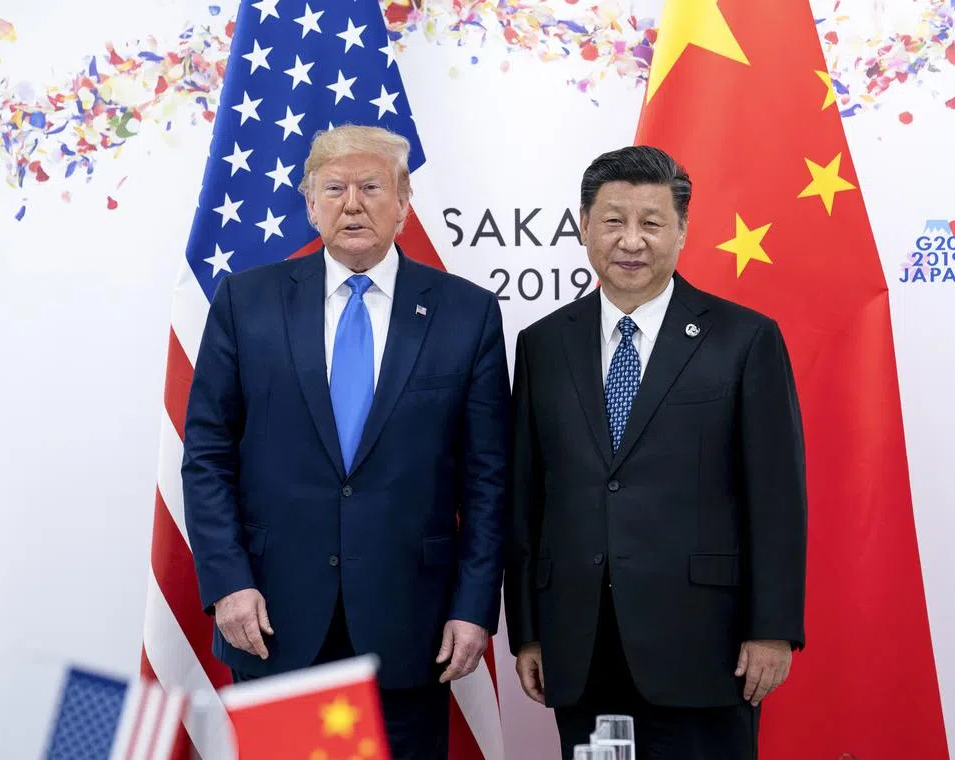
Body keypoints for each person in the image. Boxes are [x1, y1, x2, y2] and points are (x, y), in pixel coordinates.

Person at [182, 125, 509, 760]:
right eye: (333, 188)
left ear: (404, 200)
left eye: (370, 186)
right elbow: (208, 455)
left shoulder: (465, 313)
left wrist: (474, 607)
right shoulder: (246, 302)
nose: (351, 203)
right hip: (273, 618)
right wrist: (227, 581)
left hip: (411, 627)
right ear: (309, 203)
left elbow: (488, 479)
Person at [505, 145, 807, 759]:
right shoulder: (542, 345)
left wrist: (772, 629)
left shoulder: (745, 339)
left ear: (683, 230)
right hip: (581, 643)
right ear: (585, 226)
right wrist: (528, 633)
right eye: (613, 221)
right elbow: (525, 499)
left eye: (652, 223)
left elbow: (776, 497)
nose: (632, 241)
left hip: (705, 645)